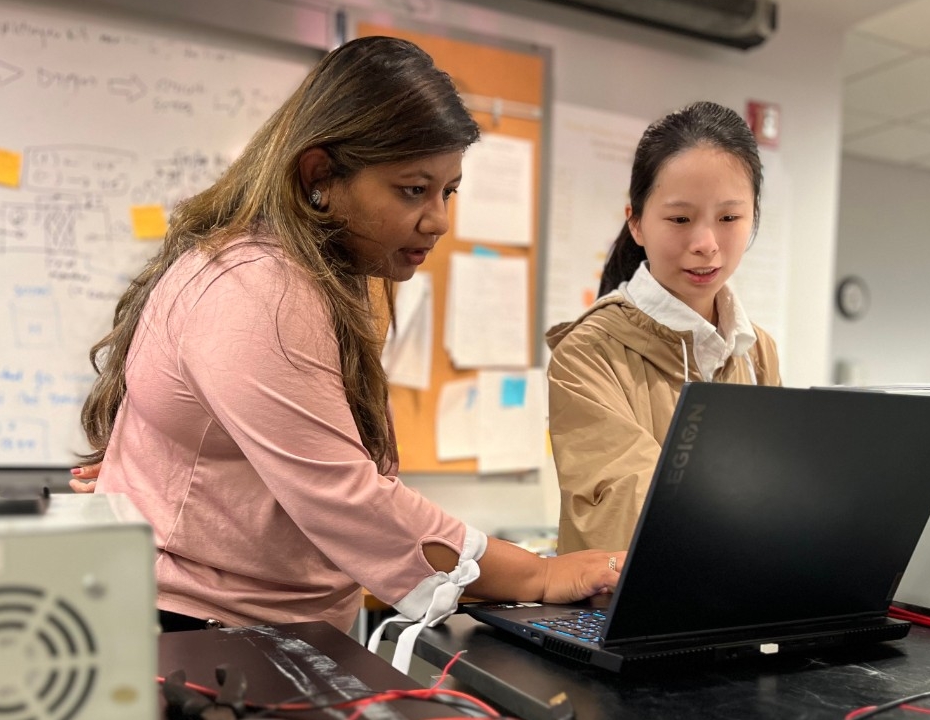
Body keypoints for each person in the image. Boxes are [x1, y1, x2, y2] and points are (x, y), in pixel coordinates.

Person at [74, 36, 621, 634]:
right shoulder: (259, 286)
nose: (438, 219)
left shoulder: (303, 270)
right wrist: (541, 576)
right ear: (320, 175)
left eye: (448, 190)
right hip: (201, 630)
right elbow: (346, 497)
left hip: (242, 622)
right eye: (413, 189)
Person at [546, 101, 782, 555]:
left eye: (730, 218)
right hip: (625, 614)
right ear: (635, 221)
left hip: (734, 609)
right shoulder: (587, 352)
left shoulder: (756, 352)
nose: (706, 245)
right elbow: (629, 511)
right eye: (679, 219)